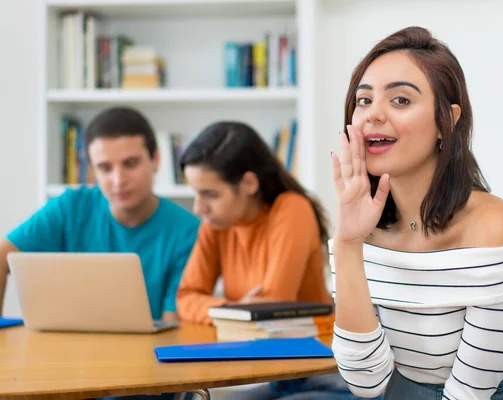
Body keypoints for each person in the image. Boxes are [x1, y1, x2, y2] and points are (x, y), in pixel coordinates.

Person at [329, 26, 503, 400]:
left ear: (446, 121)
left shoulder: (497, 231)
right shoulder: (359, 227)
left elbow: (470, 393)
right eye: (363, 101)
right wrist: (347, 243)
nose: (373, 115)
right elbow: (366, 383)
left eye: (400, 100)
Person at [0, 106, 200, 399]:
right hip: (61, 374)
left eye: (130, 164)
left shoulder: (188, 231)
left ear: (155, 159)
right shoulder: (70, 206)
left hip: (143, 383)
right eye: (105, 168)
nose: (118, 180)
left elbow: (175, 335)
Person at [176, 121, 376, 400]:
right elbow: (186, 297)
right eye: (195, 194)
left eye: (210, 194)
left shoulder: (292, 209)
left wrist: (228, 310)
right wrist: (233, 309)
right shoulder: (215, 223)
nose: (199, 208)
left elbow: (273, 303)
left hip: (319, 373)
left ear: (248, 183)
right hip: (270, 369)